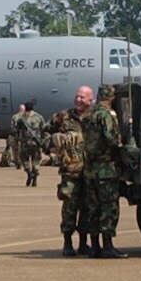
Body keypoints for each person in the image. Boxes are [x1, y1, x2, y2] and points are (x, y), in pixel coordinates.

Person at [81, 83, 128, 257]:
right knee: (109, 207)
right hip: (106, 170)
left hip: (89, 169)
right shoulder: (105, 115)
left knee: (93, 208)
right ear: (111, 98)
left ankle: (94, 247)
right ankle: (108, 246)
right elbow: (112, 140)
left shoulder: (87, 115)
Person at [54, 91, 90, 256]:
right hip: (70, 171)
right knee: (69, 208)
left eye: (82, 97)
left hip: (90, 171)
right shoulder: (63, 116)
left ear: (90, 99)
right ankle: (67, 243)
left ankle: (84, 243)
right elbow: (45, 132)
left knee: (88, 208)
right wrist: (53, 144)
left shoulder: (95, 117)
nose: (78, 99)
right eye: (76, 96)